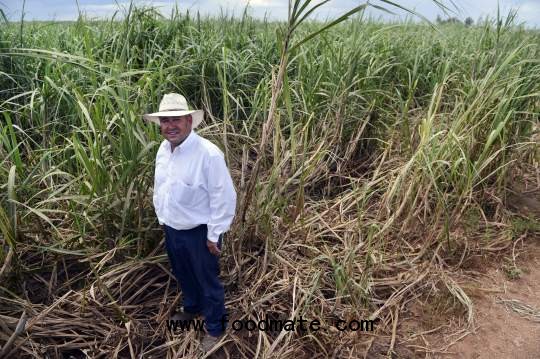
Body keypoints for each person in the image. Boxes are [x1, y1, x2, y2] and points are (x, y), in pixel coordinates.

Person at [143, 93, 237, 352]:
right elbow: (161, 188)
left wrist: (214, 234)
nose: (169, 126)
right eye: (164, 120)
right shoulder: (163, 150)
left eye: (176, 120)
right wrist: (163, 219)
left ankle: (215, 328)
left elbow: (224, 196)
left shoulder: (208, 154)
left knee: (207, 279)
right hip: (172, 228)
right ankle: (191, 308)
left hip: (200, 232)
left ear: (189, 121)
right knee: (183, 272)